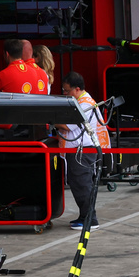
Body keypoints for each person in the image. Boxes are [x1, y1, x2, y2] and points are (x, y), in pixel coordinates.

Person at [55, 71, 109, 231]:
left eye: (67, 90)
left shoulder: (84, 104)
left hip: (82, 151)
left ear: (77, 89)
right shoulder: (81, 101)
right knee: (78, 183)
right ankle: (84, 215)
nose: (65, 94)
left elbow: (67, 125)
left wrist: (50, 119)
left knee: (82, 184)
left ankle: (90, 219)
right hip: (78, 150)